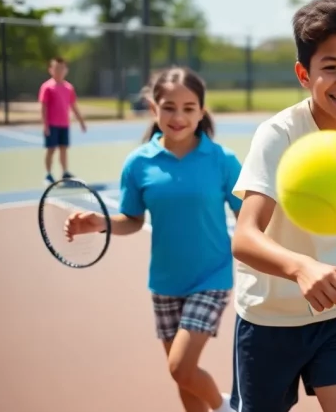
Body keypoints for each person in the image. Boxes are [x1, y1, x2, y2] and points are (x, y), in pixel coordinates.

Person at [229, 0, 336, 412]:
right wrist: (301, 267)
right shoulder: (280, 134)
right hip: (270, 319)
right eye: (331, 67)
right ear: (304, 74)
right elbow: (245, 239)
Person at [64, 67, 240, 412]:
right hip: (164, 283)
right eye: (169, 107)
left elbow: (248, 215)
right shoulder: (138, 163)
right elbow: (131, 220)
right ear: (153, 107)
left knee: (180, 366)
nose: (178, 116)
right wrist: (99, 222)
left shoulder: (222, 160)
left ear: (201, 111)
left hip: (212, 278)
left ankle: (229, 408)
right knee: (183, 379)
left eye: (189, 108)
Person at [39, 56, 86, 185]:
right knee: (51, 149)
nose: (59, 71)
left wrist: (81, 121)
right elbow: (43, 107)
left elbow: (74, 106)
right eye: (56, 68)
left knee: (64, 149)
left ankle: (65, 172)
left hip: (64, 124)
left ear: (66, 70)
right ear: (51, 70)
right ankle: (48, 174)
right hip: (52, 124)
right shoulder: (47, 87)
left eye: (62, 68)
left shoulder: (69, 87)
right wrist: (45, 125)